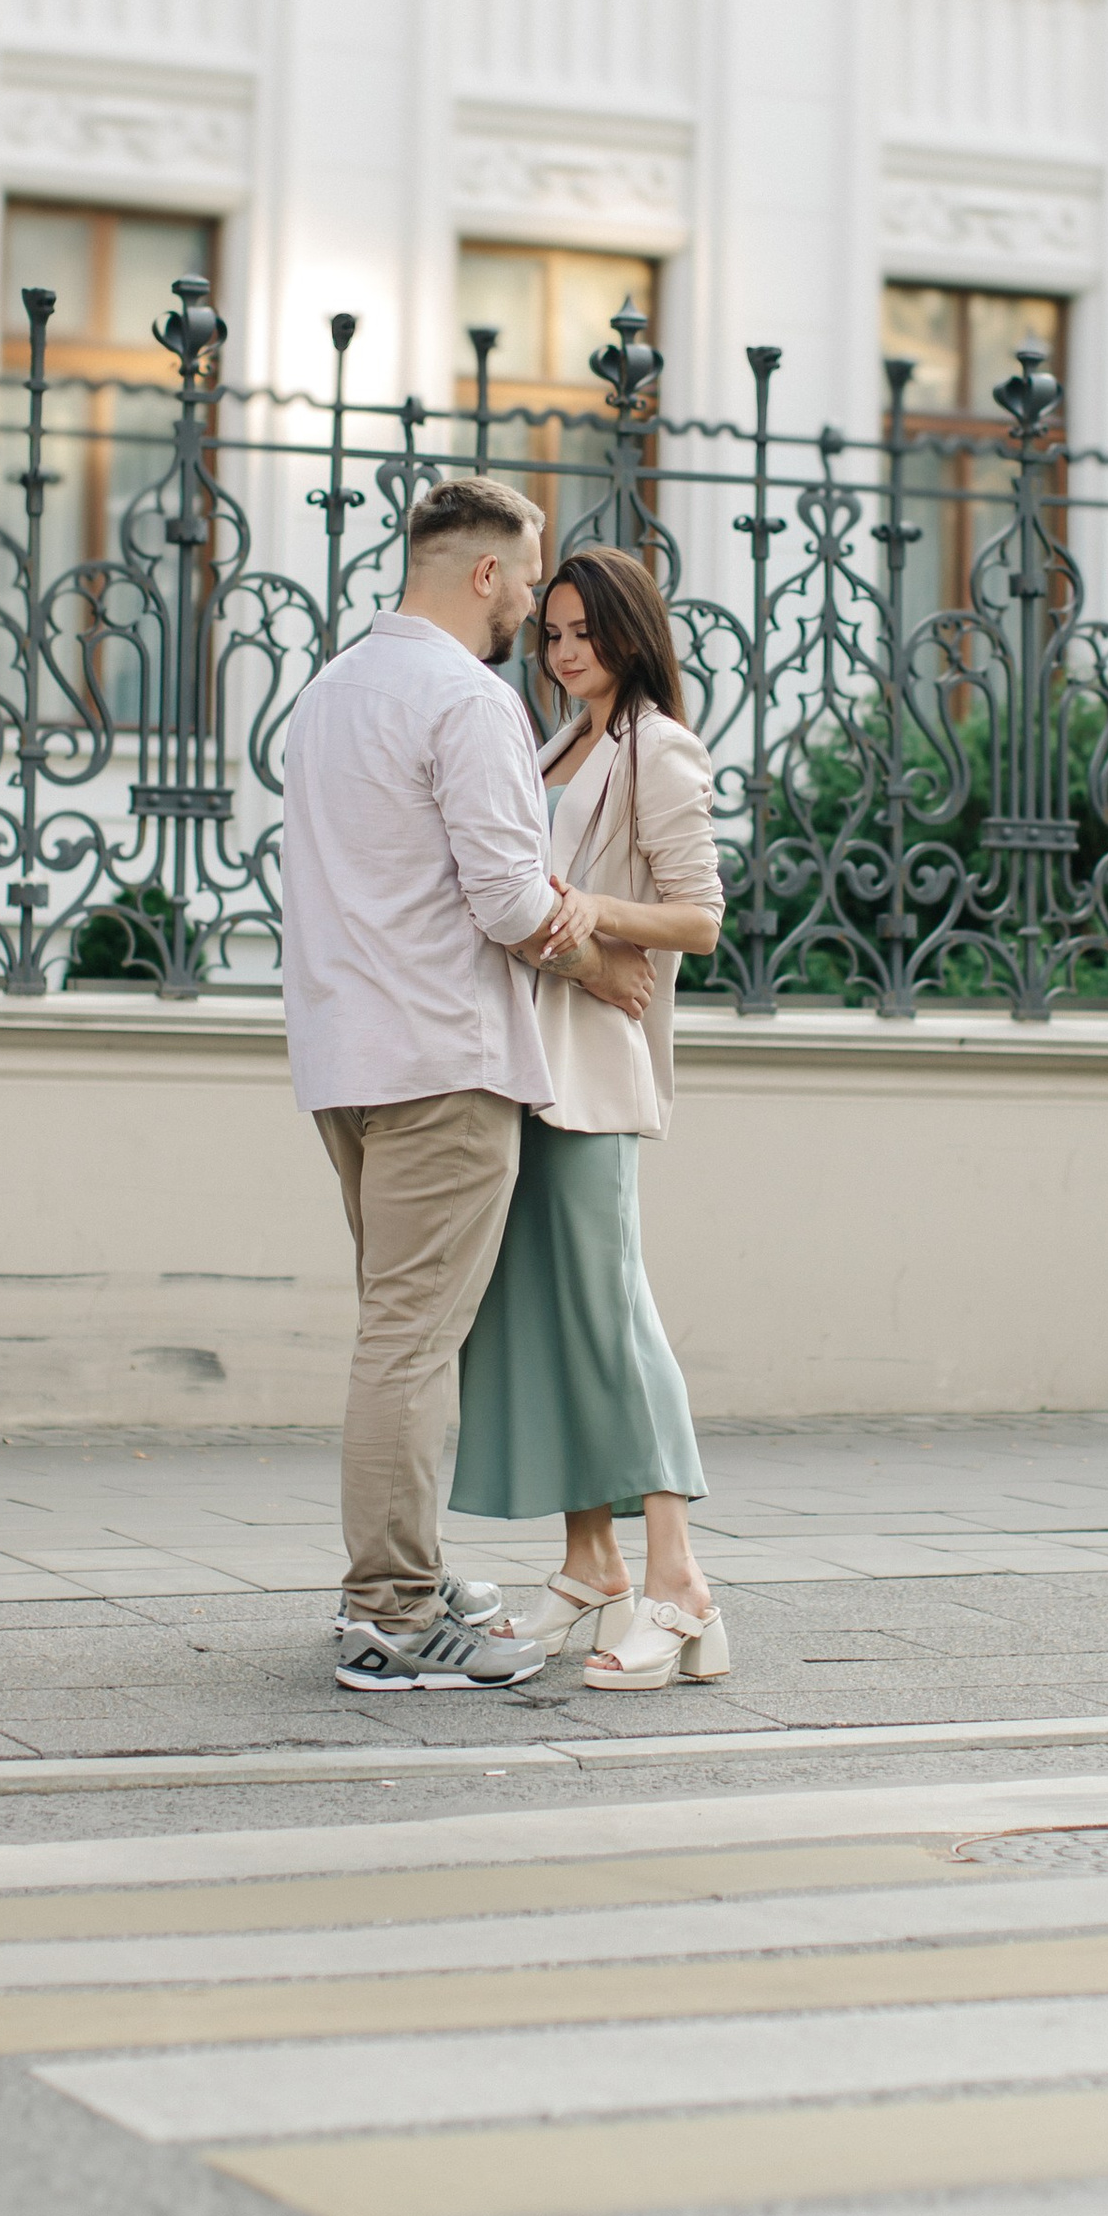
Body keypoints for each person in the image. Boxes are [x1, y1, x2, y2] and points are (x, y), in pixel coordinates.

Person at [277, 475, 652, 1695]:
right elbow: (507, 898)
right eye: (529, 577)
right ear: (484, 573)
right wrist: (599, 964)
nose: (535, 608)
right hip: (441, 1061)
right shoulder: (466, 698)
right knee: (410, 1345)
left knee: (402, 1331)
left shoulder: (332, 691)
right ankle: (387, 1614)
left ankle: (412, 1582)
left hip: (346, 1059)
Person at [451, 544, 730, 1693]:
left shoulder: (657, 749)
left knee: (612, 1318)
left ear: (629, 630)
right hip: (527, 1056)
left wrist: (583, 916)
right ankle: (589, 1565)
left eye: (583, 633)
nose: (564, 651)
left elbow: (699, 920)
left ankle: (678, 1582)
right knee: (551, 1323)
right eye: (552, 632)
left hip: (594, 1070)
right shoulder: (556, 740)